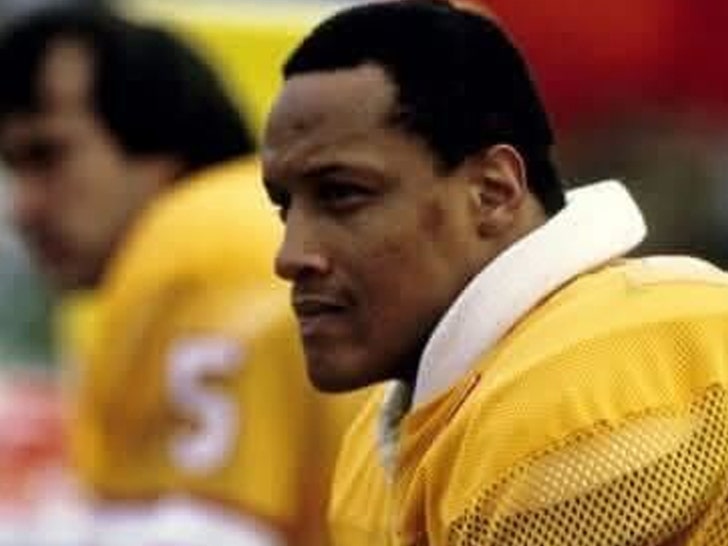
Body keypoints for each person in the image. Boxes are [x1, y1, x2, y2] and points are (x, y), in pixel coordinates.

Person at [261, 1, 728, 544]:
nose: (290, 255)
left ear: (493, 192)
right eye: (284, 207)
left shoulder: (588, 381)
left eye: (343, 194)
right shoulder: (382, 440)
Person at [0, 6, 358, 545]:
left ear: (156, 144)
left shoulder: (195, 252)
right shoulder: (261, 227)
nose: (22, 207)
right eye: (13, 167)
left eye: (48, 156)